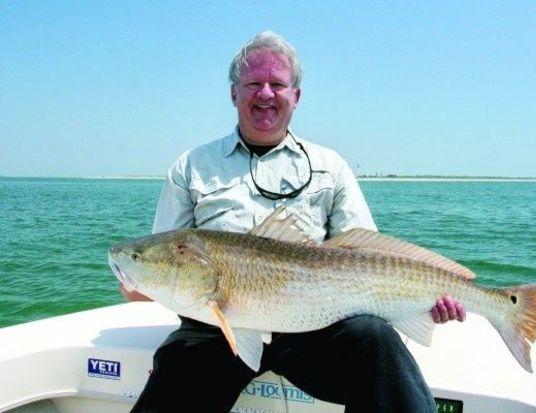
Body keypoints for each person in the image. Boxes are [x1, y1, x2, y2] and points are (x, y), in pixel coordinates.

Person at [121, 31, 466, 413]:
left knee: (376, 339)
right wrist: (137, 275)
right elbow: (158, 266)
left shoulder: (330, 167)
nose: (265, 94)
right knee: (176, 372)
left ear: (296, 96)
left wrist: (422, 298)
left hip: (313, 329)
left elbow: (367, 255)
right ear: (233, 93)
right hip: (216, 329)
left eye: (277, 84)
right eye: (253, 83)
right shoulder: (191, 167)